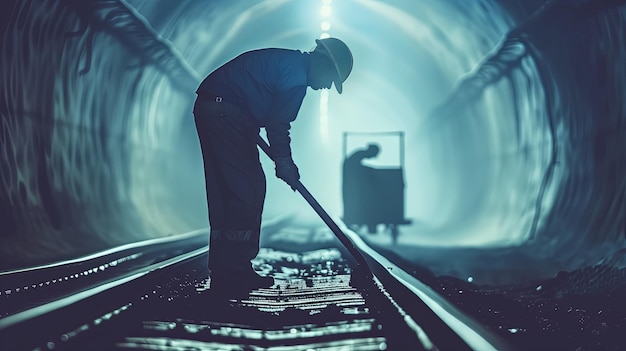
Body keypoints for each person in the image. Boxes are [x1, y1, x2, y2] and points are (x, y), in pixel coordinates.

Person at [193, 38, 353, 293]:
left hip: (217, 108)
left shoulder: (289, 64)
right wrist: (285, 162)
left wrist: (282, 160)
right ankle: (233, 271)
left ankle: (227, 269)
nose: (326, 87)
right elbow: (278, 124)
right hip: (226, 112)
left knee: (232, 191)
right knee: (246, 191)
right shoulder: (297, 77)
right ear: (322, 63)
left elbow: (268, 116)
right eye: (330, 79)